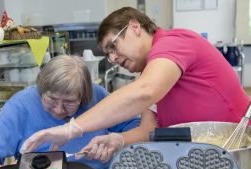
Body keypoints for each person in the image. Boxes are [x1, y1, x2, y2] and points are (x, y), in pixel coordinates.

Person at [21, 7, 250, 157]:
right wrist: (118, 139)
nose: (112, 58)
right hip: (204, 156)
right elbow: (149, 129)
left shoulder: (175, 42)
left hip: (237, 149)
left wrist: (71, 129)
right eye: (107, 53)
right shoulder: (151, 72)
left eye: (113, 46)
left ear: (134, 27)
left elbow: (144, 92)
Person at [0, 54, 156, 169]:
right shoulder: (20, 106)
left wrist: (114, 141)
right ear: (40, 89)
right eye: (51, 99)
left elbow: (134, 127)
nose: (59, 110)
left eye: (69, 102)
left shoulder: (96, 96)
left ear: (83, 97)